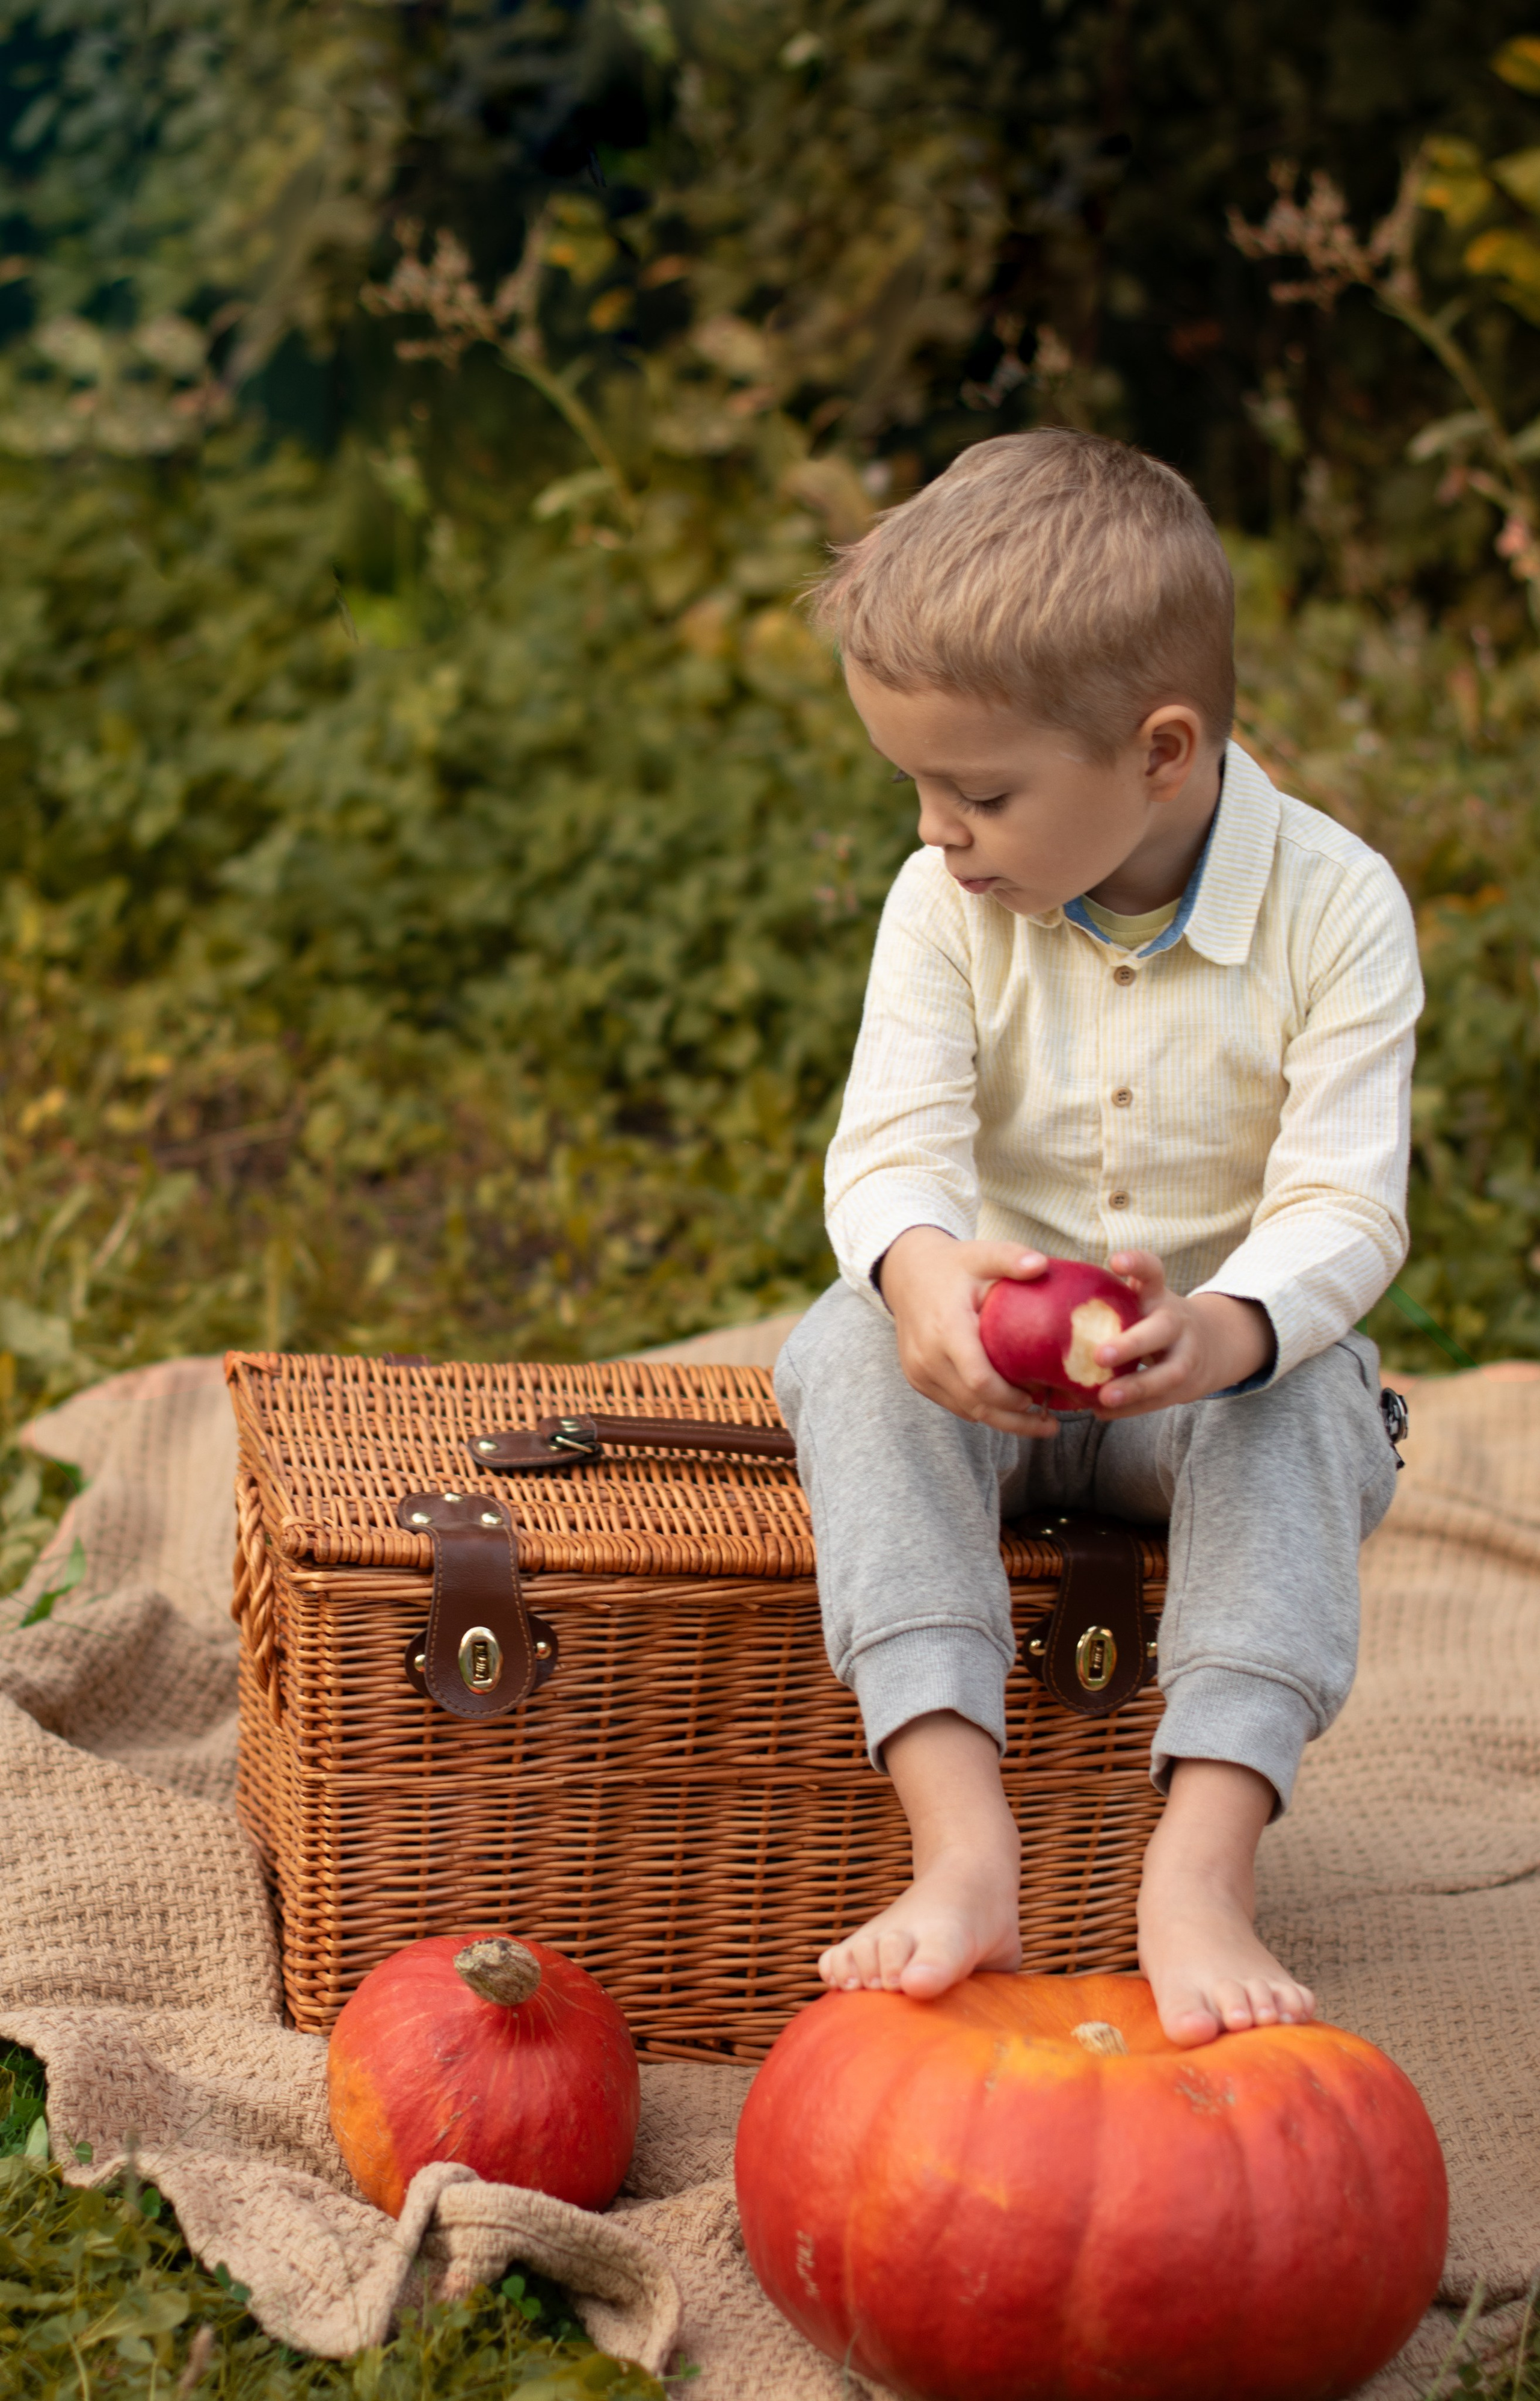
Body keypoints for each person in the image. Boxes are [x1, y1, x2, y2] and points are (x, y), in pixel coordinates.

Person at [774, 428, 1419, 2048]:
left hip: (1190, 1396)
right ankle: (962, 1839)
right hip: (981, 1387)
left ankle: (1199, 1869)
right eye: (917, 787)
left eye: (979, 792)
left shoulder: (1337, 913)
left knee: (1315, 1398)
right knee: (842, 1346)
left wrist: (1230, 1325)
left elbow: (1347, 1201)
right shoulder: (946, 905)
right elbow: (891, 1151)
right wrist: (926, 1281)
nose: (936, 832)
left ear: (1161, 750)